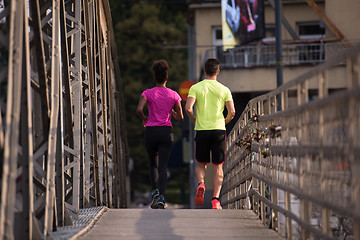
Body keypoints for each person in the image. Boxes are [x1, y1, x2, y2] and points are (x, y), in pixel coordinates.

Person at [185, 58, 235, 209]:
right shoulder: (224, 89)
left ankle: (201, 183)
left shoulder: (196, 88)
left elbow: (188, 108)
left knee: (201, 163)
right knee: (218, 166)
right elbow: (232, 112)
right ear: (218, 71)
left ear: (204, 71)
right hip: (219, 130)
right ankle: (215, 200)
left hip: (202, 130)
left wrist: (194, 119)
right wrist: (224, 122)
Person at [136, 59, 184, 209]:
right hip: (166, 132)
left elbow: (139, 110)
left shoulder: (147, 93)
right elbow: (180, 117)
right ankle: (162, 198)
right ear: (166, 78)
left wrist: (145, 118)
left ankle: (155, 191)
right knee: (163, 166)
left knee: (153, 164)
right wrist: (171, 111)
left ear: (155, 78)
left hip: (151, 131)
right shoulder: (174, 95)